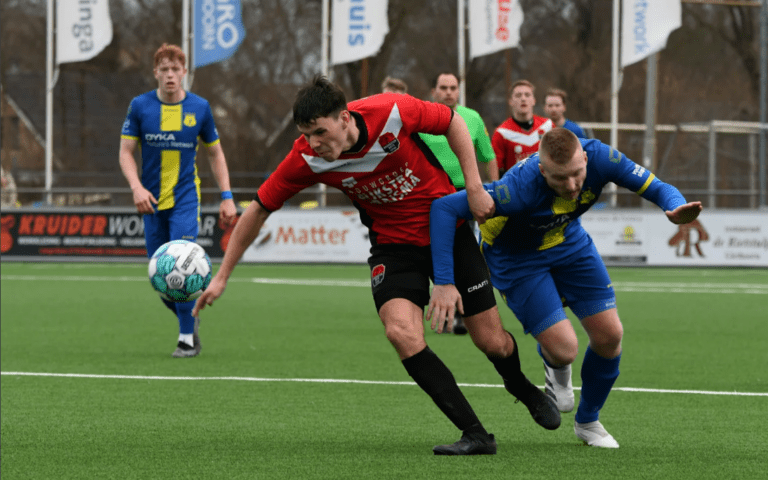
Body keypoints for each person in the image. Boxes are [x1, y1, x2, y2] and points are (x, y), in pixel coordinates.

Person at [193, 75, 560, 455]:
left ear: (346, 119)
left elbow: (453, 122)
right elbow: (257, 209)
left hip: (447, 230)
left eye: (320, 131)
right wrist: (222, 276)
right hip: (393, 247)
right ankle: (476, 434)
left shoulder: (393, 110)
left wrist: (473, 187)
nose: (314, 143)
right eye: (307, 134)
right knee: (401, 333)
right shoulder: (306, 157)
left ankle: (520, 386)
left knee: (492, 341)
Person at [428, 128, 702, 449]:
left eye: (577, 174)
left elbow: (655, 186)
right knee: (564, 348)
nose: (571, 186)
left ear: (585, 158)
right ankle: (554, 366)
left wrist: (675, 206)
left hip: (568, 242)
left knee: (610, 336)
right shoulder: (516, 189)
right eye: (560, 179)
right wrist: (445, 282)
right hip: (516, 259)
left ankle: (588, 422)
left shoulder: (601, 156)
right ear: (543, 170)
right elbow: (444, 208)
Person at [119, 43, 237, 358]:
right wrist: (136, 187)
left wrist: (227, 196)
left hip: (186, 199)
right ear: (155, 73)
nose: (170, 75)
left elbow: (215, 153)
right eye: (164, 70)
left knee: (181, 269)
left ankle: (186, 338)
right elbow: (126, 152)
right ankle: (190, 320)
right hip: (152, 202)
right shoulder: (140, 106)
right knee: (161, 277)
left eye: (176, 69)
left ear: (184, 72)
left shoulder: (200, 108)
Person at [419, 72, 498, 335]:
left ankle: (466, 312)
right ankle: (442, 310)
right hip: (432, 196)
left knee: (471, 253)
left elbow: (488, 155)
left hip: (467, 194)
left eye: (453, 87)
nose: (449, 92)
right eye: (443, 87)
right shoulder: (421, 118)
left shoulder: (472, 118)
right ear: (434, 91)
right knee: (439, 254)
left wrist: (496, 190)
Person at [491, 80, 553, 178]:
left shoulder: (548, 126)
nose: (523, 99)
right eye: (518, 95)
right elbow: (496, 169)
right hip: (516, 189)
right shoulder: (501, 133)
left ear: (534, 100)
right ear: (510, 101)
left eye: (527, 95)